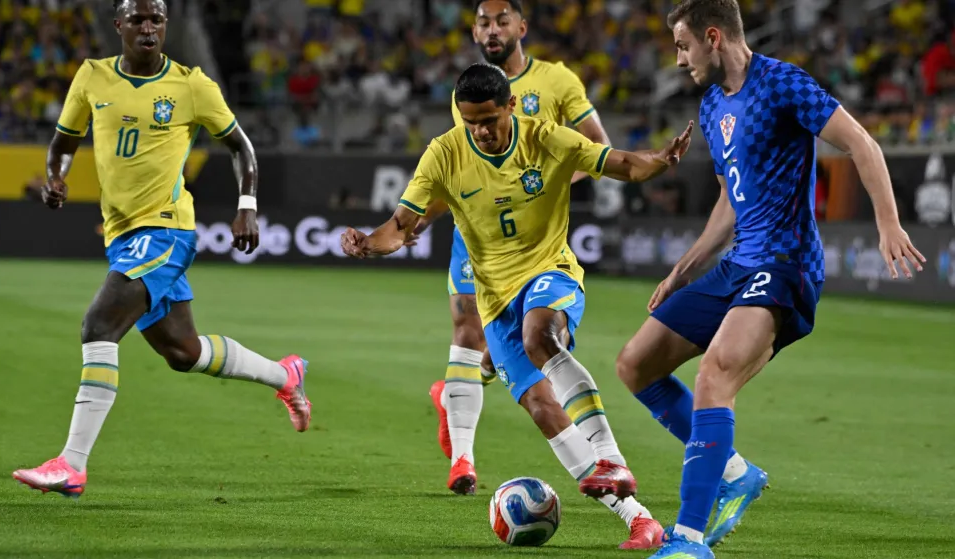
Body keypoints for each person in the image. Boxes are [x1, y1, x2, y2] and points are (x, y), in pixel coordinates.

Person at [611, 1, 926, 558]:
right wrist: (683, 271)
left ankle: (686, 540)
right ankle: (732, 471)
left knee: (715, 375)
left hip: (785, 266)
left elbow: (862, 144)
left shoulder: (783, 84)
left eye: (683, 46)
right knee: (635, 364)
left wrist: (888, 225)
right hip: (737, 265)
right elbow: (731, 203)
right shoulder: (712, 106)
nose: (679, 60)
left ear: (713, 37)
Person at [343, 63, 693, 550]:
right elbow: (401, 225)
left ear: (511, 105)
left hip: (551, 271)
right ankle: (640, 520)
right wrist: (368, 243)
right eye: (471, 122)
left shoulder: (547, 138)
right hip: (494, 299)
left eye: (489, 119)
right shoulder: (444, 153)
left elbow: (622, 164)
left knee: (540, 337)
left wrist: (661, 160)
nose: (481, 131)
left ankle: (611, 458)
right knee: (541, 407)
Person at [11, 0, 312, 499]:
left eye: (157, 20)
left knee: (99, 324)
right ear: (119, 27)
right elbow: (64, 139)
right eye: (138, 20)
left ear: (166, 26)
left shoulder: (192, 85)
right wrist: (55, 178)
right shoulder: (91, 77)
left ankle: (72, 464)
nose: (148, 28)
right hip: (123, 234)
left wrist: (247, 205)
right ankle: (285, 375)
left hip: (167, 229)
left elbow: (240, 146)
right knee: (183, 351)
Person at [423, 0, 614, 502]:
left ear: (521, 27)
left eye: (501, 21)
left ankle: (459, 391)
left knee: (527, 343)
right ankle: (462, 458)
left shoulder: (557, 82)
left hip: (533, 239)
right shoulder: (469, 91)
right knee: (468, 333)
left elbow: (595, 146)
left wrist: (545, 186)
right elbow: (464, 162)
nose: (491, 30)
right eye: (483, 22)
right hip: (479, 235)